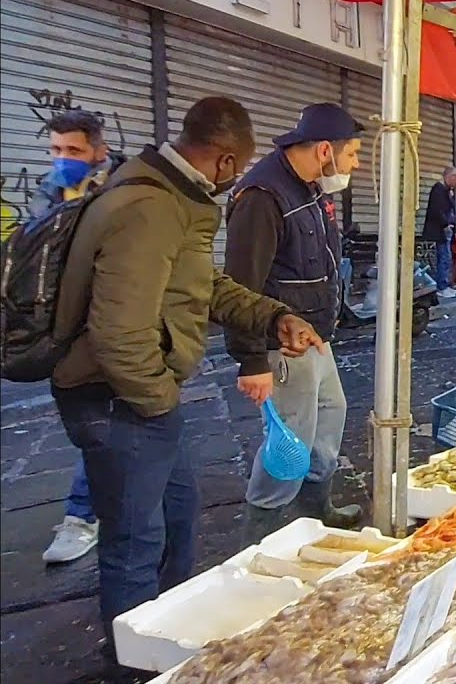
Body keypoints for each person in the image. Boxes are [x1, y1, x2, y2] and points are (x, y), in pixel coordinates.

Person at [49, 96, 324, 652]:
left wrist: (274, 316)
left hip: (142, 399)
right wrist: (157, 402)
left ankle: (170, 641)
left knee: (177, 515)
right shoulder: (150, 207)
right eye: (238, 168)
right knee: (135, 541)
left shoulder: (174, 198)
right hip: (116, 399)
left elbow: (203, 284)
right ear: (225, 161)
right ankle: (134, 659)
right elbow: (119, 334)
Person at [223, 103, 365, 540]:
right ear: (325, 150)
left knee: (330, 417)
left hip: (315, 336)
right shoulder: (262, 197)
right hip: (283, 345)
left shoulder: (311, 188)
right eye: (352, 154)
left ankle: (316, 516)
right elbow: (240, 286)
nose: (356, 164)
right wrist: (252, 360)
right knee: (290, 441)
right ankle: (260, 536)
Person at [34, 111, 122, 565]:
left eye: (73, 150)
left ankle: (86, 515)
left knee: (116, 429)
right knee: (96, 431)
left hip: (117, 324)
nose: (62, 159)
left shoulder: (122, 189)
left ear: (98, 151)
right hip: (69, 330)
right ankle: (87, 514)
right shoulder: (49, 192)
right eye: (56, 150)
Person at [422, 166, 456, 298]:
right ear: (450, 177)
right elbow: (437, 211)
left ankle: (444, 284)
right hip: (440, 230)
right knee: (444, 258)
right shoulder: (439, 190)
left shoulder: (446, 191)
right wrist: (446, 223)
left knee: (446, 258)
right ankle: (441, 286)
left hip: (445, 230)